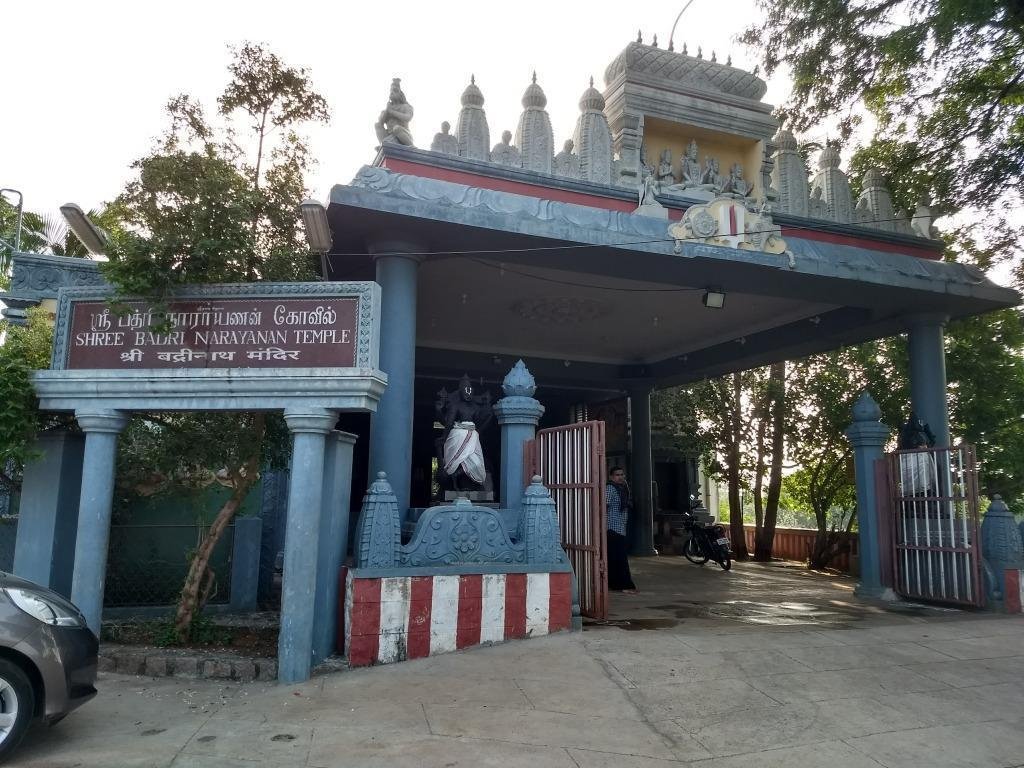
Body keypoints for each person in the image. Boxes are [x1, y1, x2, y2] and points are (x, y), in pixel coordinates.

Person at [605, 467, 637, 593]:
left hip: (620, 527)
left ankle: (617, 584)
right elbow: (604, 506)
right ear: (611, 477)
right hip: (611, 527)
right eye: (617, 475)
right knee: (617, 558)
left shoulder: (623, 489)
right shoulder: (611, 488)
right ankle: (622, 585)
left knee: (617, 557)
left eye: (622, 474)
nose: (620, 477)